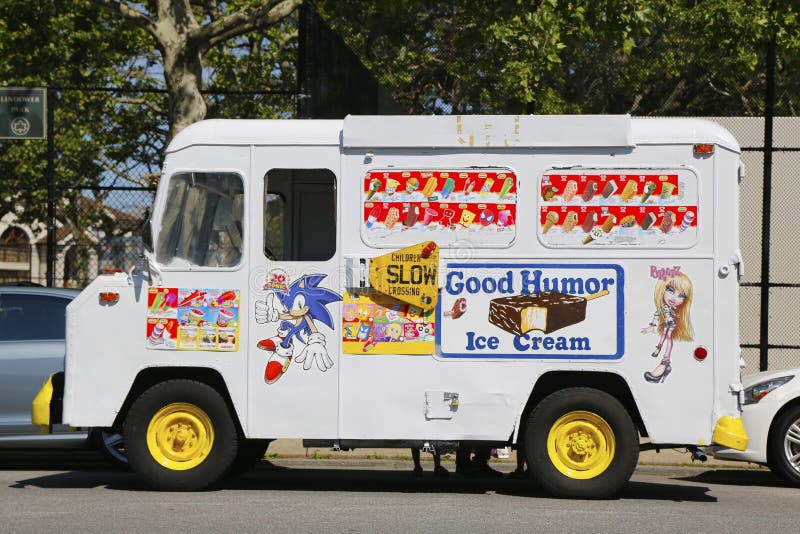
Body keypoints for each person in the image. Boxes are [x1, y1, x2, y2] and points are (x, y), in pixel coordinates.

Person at [641, 272, 694, 383]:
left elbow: (670, 315)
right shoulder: (662, 308)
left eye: (681, 296)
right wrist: (652, 326)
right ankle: (658, 349)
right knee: (663, 336)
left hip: (671, 323)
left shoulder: (671, 308)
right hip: (666, 323)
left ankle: (665, 362)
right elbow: (657, 315)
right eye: (670, 290)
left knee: (668, 338)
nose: (674, 298)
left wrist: (674, 316)